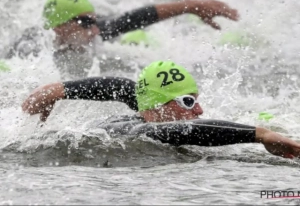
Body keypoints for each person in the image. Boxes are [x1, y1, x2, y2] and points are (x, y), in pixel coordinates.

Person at [22, 60, 300, 159]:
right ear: (159, 106)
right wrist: (259, 135)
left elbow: (123, 87)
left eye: (196, 100)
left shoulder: (147, 108)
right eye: (188, 102)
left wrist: (62, 90)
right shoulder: (133, 130)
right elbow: (183, 130)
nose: (200, 109)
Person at [5, 0, 239, 78]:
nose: (95, 30)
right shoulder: (30, 49)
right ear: (59, 27)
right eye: (86, 23)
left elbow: (137, 17)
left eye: (95, 21)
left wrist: (191, 5)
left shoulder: (94, 33)